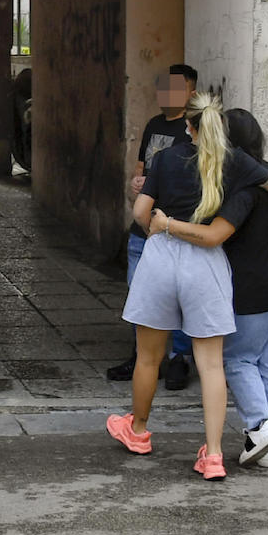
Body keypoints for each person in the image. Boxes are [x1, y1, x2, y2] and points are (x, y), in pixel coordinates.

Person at [107, 91, 268, 482]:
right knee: (211, 363)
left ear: (188, 126)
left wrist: (159, 232)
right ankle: (213, 455)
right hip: (206, 264)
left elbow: (141, 211)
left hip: (162, 255)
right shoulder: (231, 167)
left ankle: (139, 431)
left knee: (148, 356)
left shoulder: (165, 160)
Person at [156, 109, 268, 468]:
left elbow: (214, 236)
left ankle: (259, 427)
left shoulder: (241, 187)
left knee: (236, 358)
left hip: (258, 290)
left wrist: (169, 225)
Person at [107, 65, 198, 388]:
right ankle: (144, 356)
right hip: (143, 231)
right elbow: (141, 164)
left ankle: (178, 359)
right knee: (141, 295)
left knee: (178, 297)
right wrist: (136, 180)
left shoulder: (193, 133)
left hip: (175, 230)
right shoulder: (154, 125)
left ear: (191, 93)